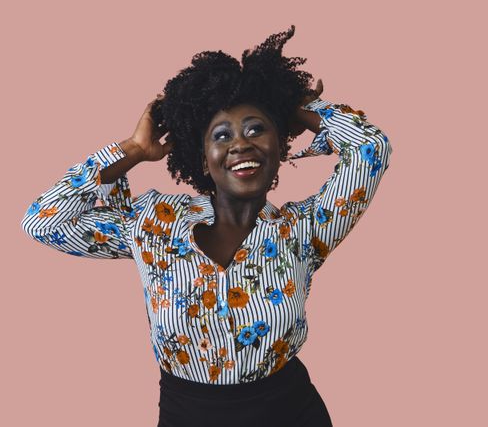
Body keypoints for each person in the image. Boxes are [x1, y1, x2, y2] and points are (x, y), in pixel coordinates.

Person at [20, 25, 392, 426]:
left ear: (277, 148)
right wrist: (132, 151)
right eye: (221, 135)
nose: (240, 144)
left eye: (257, 129)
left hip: (291, 412)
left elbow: (370, 148)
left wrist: (293, 107)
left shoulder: (304, 230)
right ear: (202, 158)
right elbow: (44, 220)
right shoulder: (154, 226)